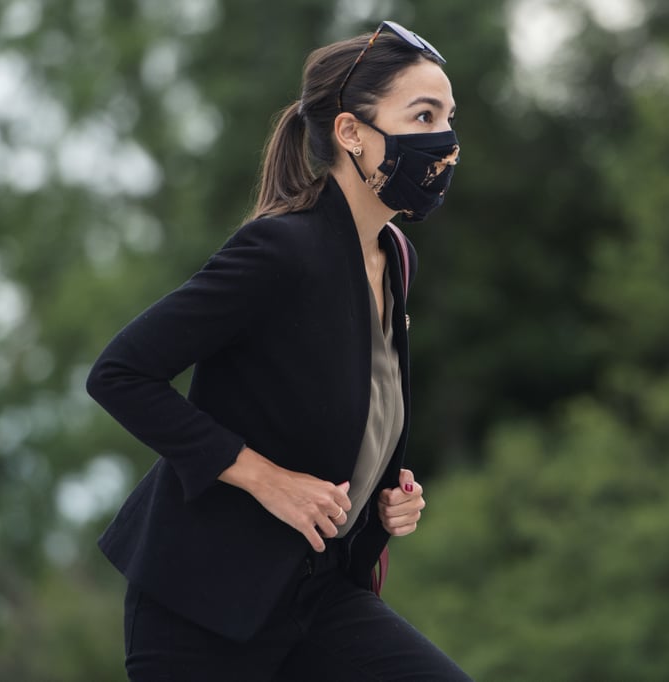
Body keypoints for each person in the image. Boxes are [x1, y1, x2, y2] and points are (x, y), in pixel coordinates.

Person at [85, 20, 471, 681]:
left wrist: (386, 491)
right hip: (202, 606)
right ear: (352, 133)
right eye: (422, 115)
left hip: (319, 597)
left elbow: (343, 406)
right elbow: (120, 374)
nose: (446, 142)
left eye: (448, 117)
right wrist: (267, 480)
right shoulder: (280, 251)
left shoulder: (395, 257)